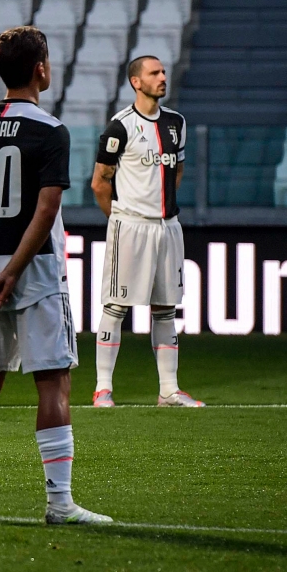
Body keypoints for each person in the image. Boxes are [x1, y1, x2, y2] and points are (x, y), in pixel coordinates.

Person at [0, 26, 111, 524]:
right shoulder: (50, 130)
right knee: (53, 383)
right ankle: (60, 504)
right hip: (33, 275)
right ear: (40, 68)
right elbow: (46, 209)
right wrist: (14, 274)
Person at [89, 55, 203, 408]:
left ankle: (168, 389)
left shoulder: (176, 123)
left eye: (164, 71)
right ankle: (102, 388)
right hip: (130, 226)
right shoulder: (120, 127)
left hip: (168, 226)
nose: (162, 77)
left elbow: (177, 170)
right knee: (117, 305)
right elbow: (99, 183)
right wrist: (121, 217)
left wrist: (160, 206)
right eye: (154, 73)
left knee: (166, 306)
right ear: (136, 82)